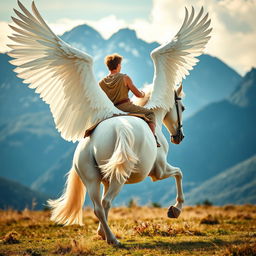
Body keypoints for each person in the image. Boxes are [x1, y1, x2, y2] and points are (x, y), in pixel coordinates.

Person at [99, 53, 160, 147]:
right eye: (121, 64)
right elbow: (138, 95)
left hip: (110, 111)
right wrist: (143, 93)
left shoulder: (101, 83)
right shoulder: (125, 77)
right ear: (118, 65)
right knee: (150, 114)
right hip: (125, 107)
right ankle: (153, 139)